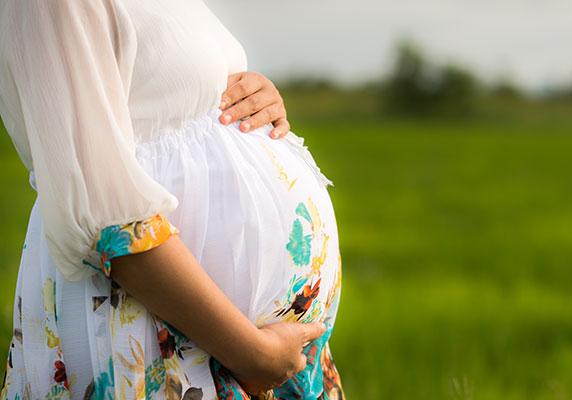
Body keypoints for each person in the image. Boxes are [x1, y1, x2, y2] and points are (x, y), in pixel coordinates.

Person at [0, 1, 344, 399]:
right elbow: (106, 218)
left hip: (247, 349)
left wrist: (255, 100)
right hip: (168, 336)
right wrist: (255, 355)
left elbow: (174, 92)